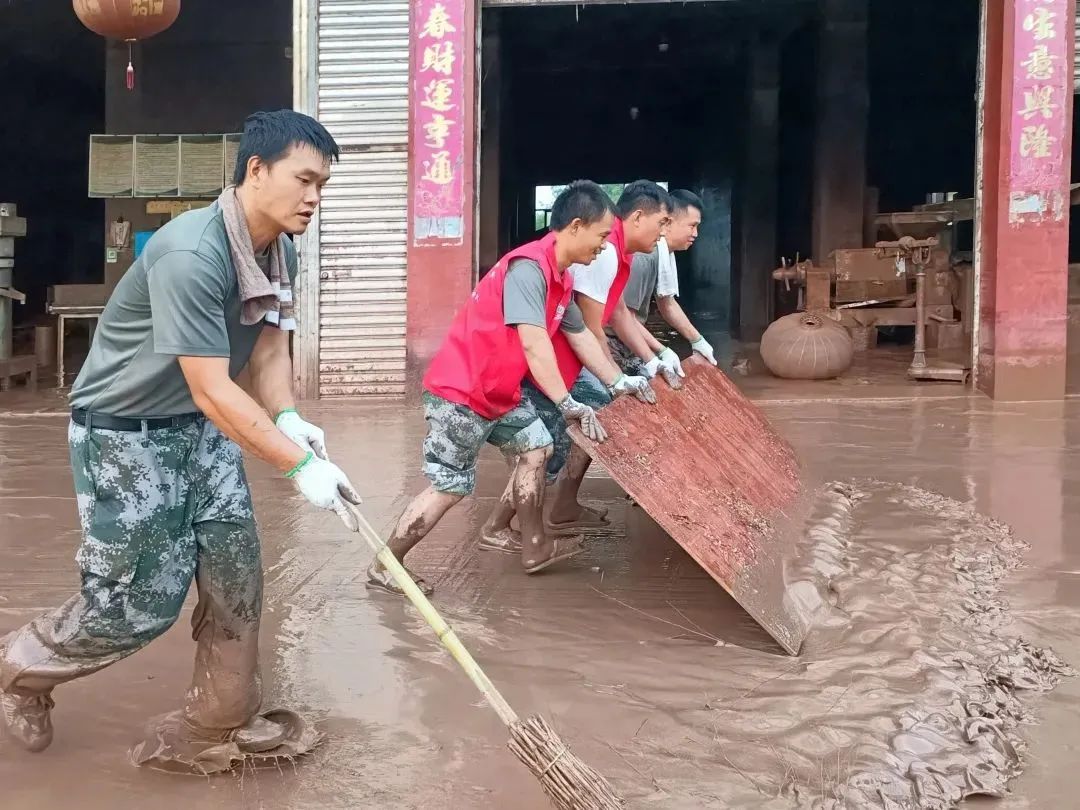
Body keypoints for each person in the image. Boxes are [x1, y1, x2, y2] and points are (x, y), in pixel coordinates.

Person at [0, 110, 359, 760]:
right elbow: (214, 387)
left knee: (236, 574)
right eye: (305, 180)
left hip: (203, 430)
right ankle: (20, 668)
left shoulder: (280, 248)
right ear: (257, 169)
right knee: (141, 599)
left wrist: (287, 422)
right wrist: (297, 468)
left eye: (323, 186)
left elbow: (268, 355)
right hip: (125, 434)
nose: (314, 198)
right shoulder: (193, 253)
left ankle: (215, 724)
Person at [366, 181, 654, 596]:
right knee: (450, 486)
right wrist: (566, 402)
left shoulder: (561, 278)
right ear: (575, 226)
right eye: (602, 235)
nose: (606, 246)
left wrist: (618, 381)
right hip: (462, 393)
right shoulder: (528, 269)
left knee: (537, 448)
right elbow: (534, 343)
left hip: (499, 393)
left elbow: (580, 336)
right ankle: (386, 563)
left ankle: (534, 545)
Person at [480, 180, 670, 545]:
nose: (664, 233)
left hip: (561, 364)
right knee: (543, 446)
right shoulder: (586, 256)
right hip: (545, 369)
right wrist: (610, 381)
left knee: (552, 442)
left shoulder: (591, 263)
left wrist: (649, 361)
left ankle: (543, 515)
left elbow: (600, 320)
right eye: (662, 223)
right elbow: (587, 328)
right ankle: (516, 528)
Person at [610, 189, 718, 377]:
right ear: (668, 223)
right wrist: (659, 352)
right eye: (692, 226)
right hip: (613, 342)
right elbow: (625, 317)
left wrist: (697, 341)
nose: (696, 234)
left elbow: (666, 302)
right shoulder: (644, 256)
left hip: (627, 339)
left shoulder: (664, 253)